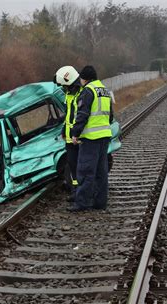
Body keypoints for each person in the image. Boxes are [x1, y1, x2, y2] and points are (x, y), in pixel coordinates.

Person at [68, 65, 113, 211]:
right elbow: (110, 115)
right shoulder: (104, 90)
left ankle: (82, 203)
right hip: (104, 136)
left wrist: (75, 133)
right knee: (101, 172)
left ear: (84, 78)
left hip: (91, 138)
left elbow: (82, 114)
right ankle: (100, 203)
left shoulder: (88, 91)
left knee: (86, 171)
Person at [53, 66, 83, 201]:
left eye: (65, 86)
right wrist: (64, 129)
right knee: (72, 165)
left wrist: (75, 132)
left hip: (80, 138)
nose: (64, 88)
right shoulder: (69, 94)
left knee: (82, 166)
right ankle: (75, 191)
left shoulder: (82, 94)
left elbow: (82, 116)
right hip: (70, 139)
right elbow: (70, 115)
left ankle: (82, 192)